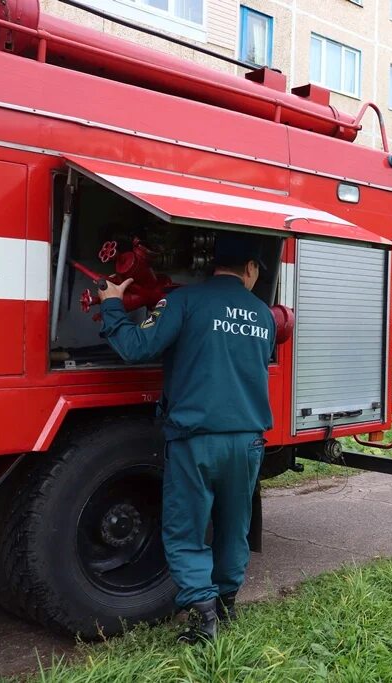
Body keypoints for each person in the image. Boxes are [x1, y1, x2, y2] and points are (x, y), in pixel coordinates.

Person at [97, 231, 275, 643]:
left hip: (197, 440)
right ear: (249, 269)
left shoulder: (184, 302)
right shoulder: (264, 314)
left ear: (214, 264)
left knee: (186, 528)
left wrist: (111, 305)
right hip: (247, 441)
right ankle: (227, 604)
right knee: (234, 526)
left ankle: (203, 616)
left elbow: (138, 347)